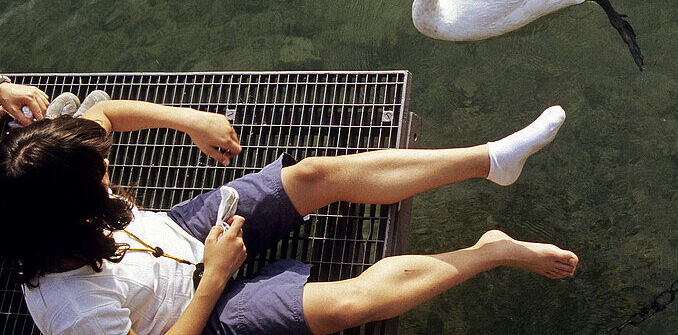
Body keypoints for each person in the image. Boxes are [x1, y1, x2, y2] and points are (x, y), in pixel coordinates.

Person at [0, 83, 577, 335]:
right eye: (99, 178)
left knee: (314, 174)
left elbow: (108, 117)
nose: (111, 178)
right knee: (347, 304)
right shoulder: (75, 309)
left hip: (179, 235)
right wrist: (214, 280)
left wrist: (190, 120)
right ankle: (490, 252)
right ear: (72, 213)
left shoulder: (44, 176)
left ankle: (491, 159)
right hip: (193, 313)